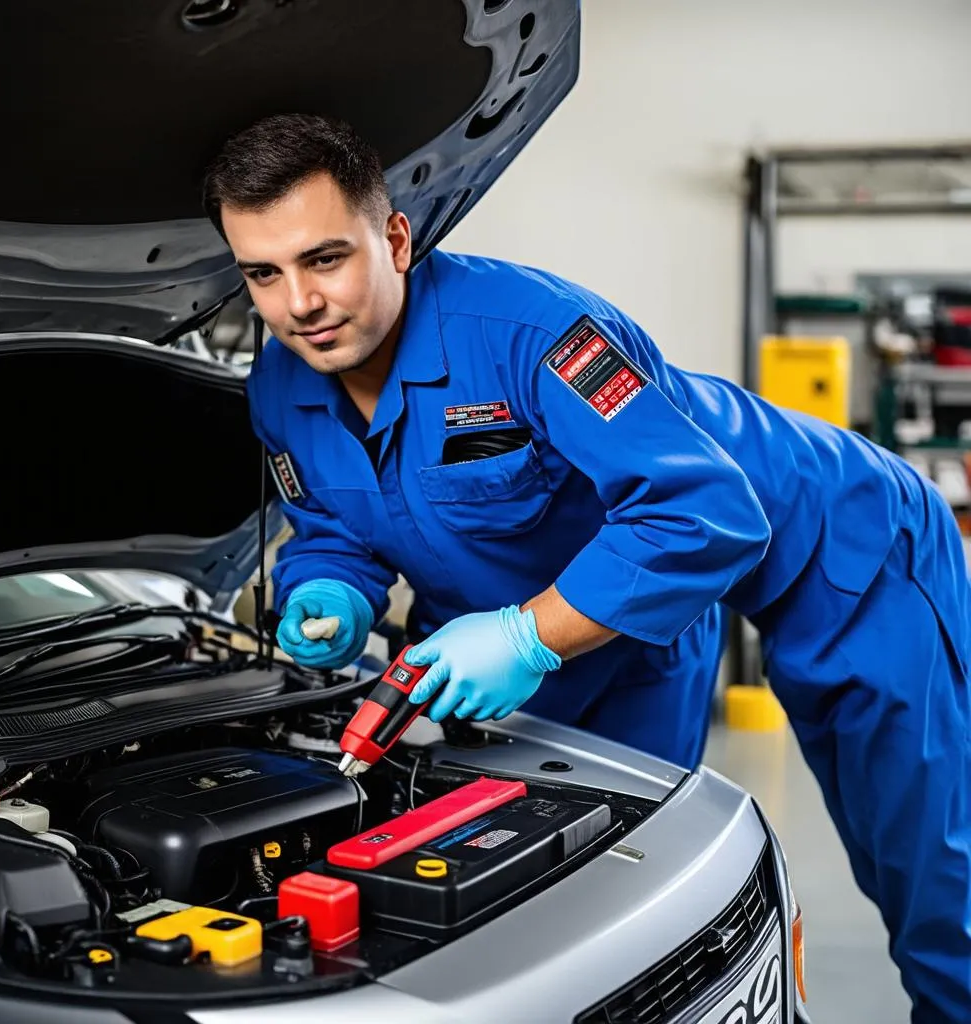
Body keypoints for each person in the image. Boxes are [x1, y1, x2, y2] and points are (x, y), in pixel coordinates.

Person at [202, 113, 970, 1022]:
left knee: (923, 854)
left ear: (395, 238)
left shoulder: (534, 332)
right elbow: (331, 523)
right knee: (577, 864)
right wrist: (326, 588)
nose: (298, 305)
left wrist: (529, 635)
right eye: (264, 273)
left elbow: (704, 515)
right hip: (619, 575)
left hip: (835, 537)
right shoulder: (279, 388)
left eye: (326, 259)